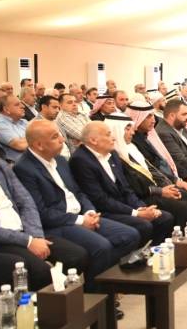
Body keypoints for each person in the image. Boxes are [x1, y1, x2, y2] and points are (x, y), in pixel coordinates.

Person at [13, 120, 140, 283]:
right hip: (58, 224)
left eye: (60, 135)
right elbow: (41, 212)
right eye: (55, 137)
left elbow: (78, 192)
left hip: (80, 215)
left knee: (130, 235)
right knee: (101, 247)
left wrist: (89, 211)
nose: (62, 139)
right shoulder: (24, 168)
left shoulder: (60, 160)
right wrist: (80, 220)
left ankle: (104, 281)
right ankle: (94, 291)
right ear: (39, 145)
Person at [0, 116, 89, 289]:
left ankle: (72, 301)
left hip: (26, 232)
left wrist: (35, 236)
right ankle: (44, 305)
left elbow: (26, 202)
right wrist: (27, 241)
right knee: (38, 270)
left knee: (76, 255)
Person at [69, 121, 174, 245]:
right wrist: (136, 213)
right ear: (93, 140)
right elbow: (100, 199)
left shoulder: (112, 154)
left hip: (122, 205)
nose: (113, 138)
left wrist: (141, 207)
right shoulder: (80, 160)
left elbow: (126, 188)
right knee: (144, 225)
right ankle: (138, 255)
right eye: (108, 134)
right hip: (103, 211)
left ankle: (154, 252)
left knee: (164, 218)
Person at [105, 113, 187, 232]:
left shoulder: (131, 147)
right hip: (144, 195)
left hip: (155, 188)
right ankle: (181, 242)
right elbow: (133, 186)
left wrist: (173, 181)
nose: (132, 132)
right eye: (127, 129)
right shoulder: (114, 156)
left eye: (131, 128)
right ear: (116, 131)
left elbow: (152, 169)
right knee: (183, 207)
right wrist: (160, 191)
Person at [0, 95, 29, 162]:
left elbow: (41, 138)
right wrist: (34, 137)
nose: (23, 106)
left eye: (21, 103)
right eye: (17, 104)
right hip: (18, 162)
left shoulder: (24, 122)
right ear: (6, 109)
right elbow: (20, 145)